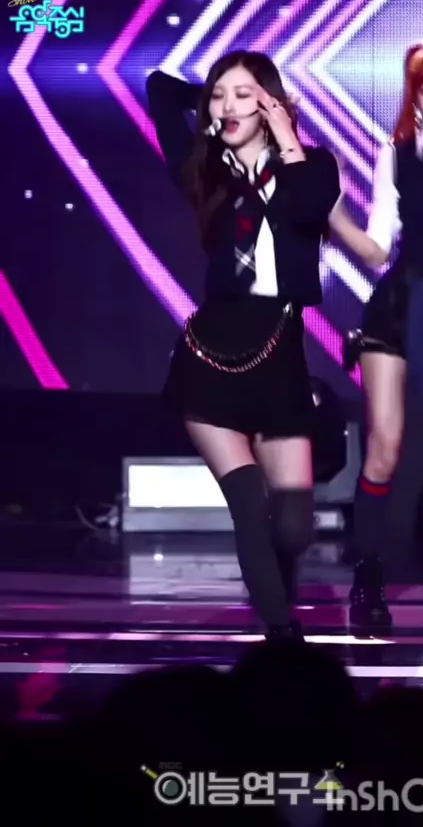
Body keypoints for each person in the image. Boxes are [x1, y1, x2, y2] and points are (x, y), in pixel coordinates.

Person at [147, 51, 340, 641]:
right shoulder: (206, 170)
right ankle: (283, 636)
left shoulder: (312, 166)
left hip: (278, 357)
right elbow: (158, 88)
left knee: (293, 526)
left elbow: (309, 209)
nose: (228, 105)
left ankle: (277, 604)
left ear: (271, 101)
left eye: (243, 94)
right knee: (250, 508)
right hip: (211, 359)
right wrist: (212, 102)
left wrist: (281, 128)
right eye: (220, 95)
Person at [329, 44, 423, 636]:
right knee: (386, 446)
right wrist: (333, 216)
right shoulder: (397, 157)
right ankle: (368, 581)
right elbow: (376, 249)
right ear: (414, 96)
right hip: (401, 308)